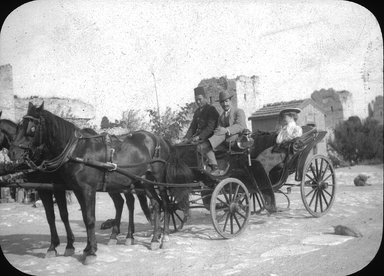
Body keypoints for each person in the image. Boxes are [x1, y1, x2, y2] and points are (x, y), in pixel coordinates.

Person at [198, 90, 247, 175]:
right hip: (225, 142)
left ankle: (209, 145)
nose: (225, 104)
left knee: (209, 143)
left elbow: (240, 126)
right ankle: (214, 166)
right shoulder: (221, 117)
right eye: (222, 102)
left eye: (226, 101)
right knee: (204, 147)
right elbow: (219, 129)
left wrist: (226, 130)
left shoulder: (238, 112)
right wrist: (217, 131)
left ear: (230, 101)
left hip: (237, 140)